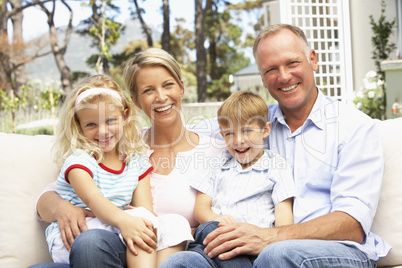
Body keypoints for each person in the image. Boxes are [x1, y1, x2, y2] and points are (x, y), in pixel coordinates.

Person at [160, 24, 391, 267]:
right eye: (271, 69)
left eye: (292, 63)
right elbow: (182, 132)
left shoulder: (355, 127)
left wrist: (268, 238)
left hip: (337, 250)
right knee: (180, 263)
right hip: (252, 250)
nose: (283, 76)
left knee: (275, 256)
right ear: (262, 77)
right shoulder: (252, 122)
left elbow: (352, 225)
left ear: (312, 59)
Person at [31, 48, 225, 268]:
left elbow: (231, 211)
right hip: (108, 241)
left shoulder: (215, 149)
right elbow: (51, 195)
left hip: (160, 248)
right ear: (135, 100)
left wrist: (188, 232)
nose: (161, 97)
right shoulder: (122, 145)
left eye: (168, 85)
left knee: (99, 240)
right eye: (148, 90)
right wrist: (62, 208)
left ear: (181, 88)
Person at [44, 74, 192, 267]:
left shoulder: (136, 162)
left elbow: (145, 209)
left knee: (174, 223)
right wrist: (125, 221)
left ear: (124, 117)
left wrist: (147, 223)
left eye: (110, 121)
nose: (103, 131)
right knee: (115, 229)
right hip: (81, 233)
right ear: (79, 127)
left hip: (118, 230)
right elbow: (94, 200)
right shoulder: (80, 162)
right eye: (91, 125)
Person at [188, 91, 295, 268]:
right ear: (222, 135)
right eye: (230, 133)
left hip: (254, 246)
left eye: (246, 131)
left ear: (265, 130)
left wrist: (274, 243)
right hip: (213, 240)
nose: (238, 140)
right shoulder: (216, 163)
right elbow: (200, 209)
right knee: (180, 259)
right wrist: (216, 219)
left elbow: (284, 217)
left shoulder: (276, 165)